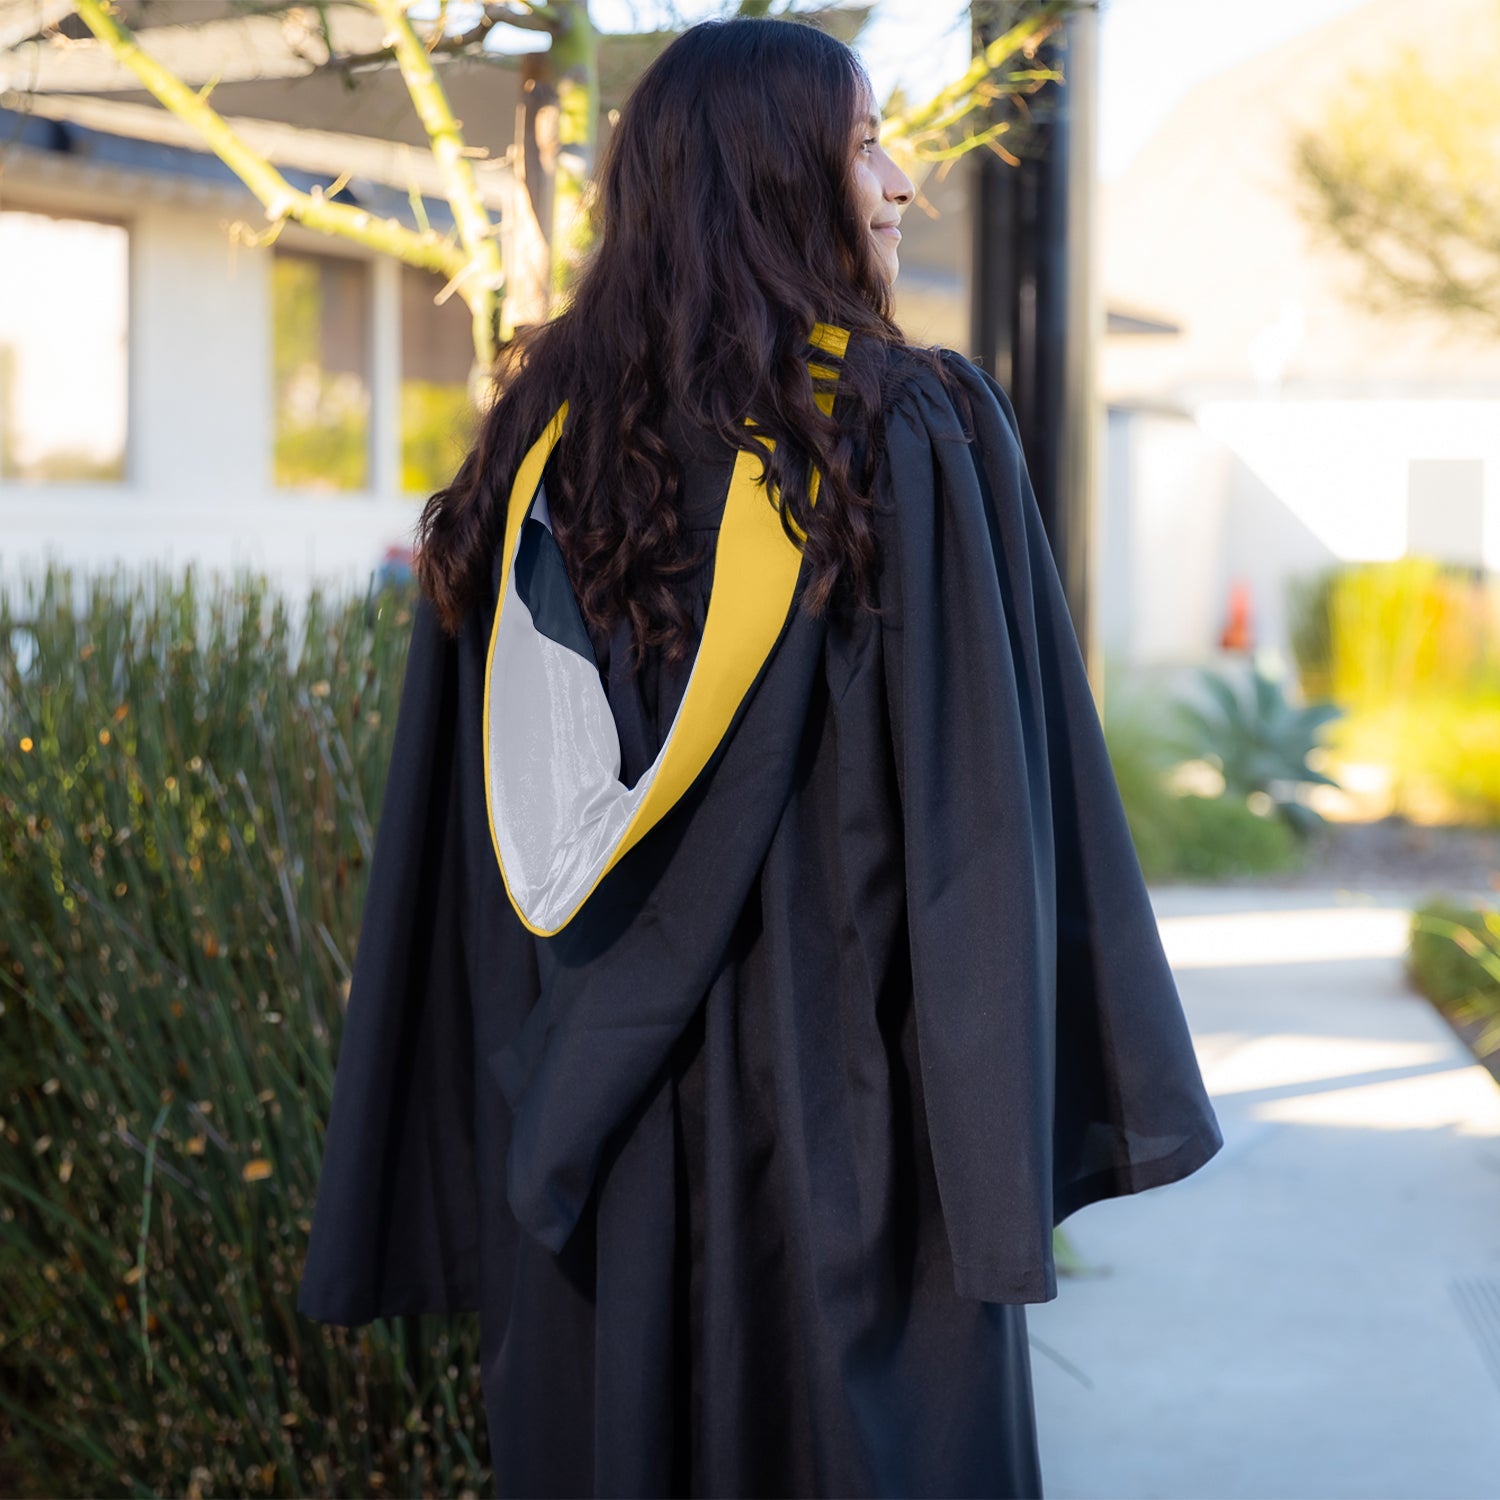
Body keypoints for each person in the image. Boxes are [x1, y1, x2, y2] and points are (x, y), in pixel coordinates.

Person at [296, 16, 1224, 1500]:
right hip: (844, 1155)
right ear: (772, 180)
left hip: (586, 1153)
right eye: (864, 143)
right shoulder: (903, 431)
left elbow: (471, 878)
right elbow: (984, 832)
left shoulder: (532, 458)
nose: (902, 182)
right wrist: (993, 1177)